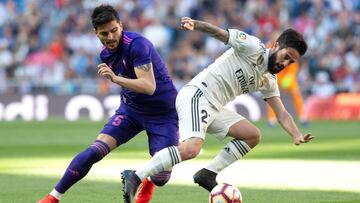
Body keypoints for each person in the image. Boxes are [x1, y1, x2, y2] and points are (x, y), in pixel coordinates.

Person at [122, 17, 314, 203]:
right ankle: (136, 176)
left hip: (215, 107)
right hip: (197, 94)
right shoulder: (252, 47)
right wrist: (195, 24)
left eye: (291, 62)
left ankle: (208, 173)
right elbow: (219, 33)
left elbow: (281, 113)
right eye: (286, 57)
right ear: (276, 45)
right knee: (191, 148)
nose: (285, 64)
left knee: (252, 135)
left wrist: (296, 134)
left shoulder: (269, 80)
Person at [37, 5, 179, 203]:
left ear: (121, 25)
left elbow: (148, 86)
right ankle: (52, 197)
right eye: (104, 33)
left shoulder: (138, 44)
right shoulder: (105, 55)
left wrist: (115, 79)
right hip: (131, 111)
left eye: (114, 30)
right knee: (95, 150)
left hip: (163, 113)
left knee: (161, 178)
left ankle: (145, 180)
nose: (111, 37)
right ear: (95, 32)